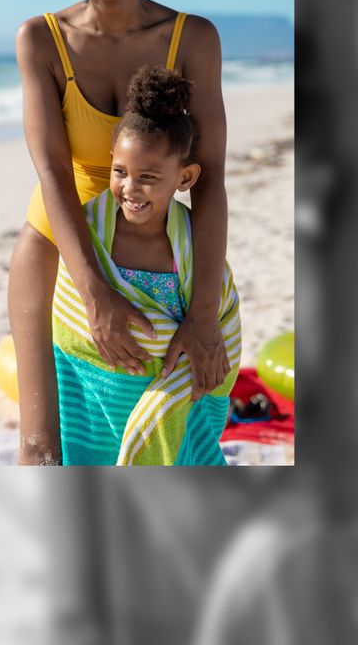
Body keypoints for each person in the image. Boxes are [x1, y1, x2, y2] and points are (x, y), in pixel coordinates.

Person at [8, 0, 231, 464]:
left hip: (160, 251)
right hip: (58, 249)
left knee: (170, 446)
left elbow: (211, 178)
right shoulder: (40, 40)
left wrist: (204, 313)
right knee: (44, 452)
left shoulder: (193, 39)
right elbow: (51, 170)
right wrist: (95, 293)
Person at [52, 65, 240, 465]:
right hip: (107, 394)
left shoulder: (193, 244)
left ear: (185, 177)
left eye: (149, 177)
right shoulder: (88, 234)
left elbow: (221, 311)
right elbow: (70, 318)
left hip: (172, 392)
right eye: (121, 172)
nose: (130, 189)